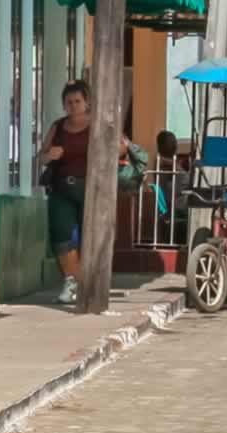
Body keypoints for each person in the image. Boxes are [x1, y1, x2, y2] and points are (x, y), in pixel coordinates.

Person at [43, 81, 143, 304]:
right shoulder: (58, 127)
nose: (73, 106)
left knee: (91, 237)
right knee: (62, 236)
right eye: (68, 102)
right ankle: (71, 282)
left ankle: (89, 283)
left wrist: (111, 137)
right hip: (62, 189)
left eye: (77, 101)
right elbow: (41, 156)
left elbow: (121, 148)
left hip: (92, 189)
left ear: (86, 102)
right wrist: (50, 155)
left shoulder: (98, 124)